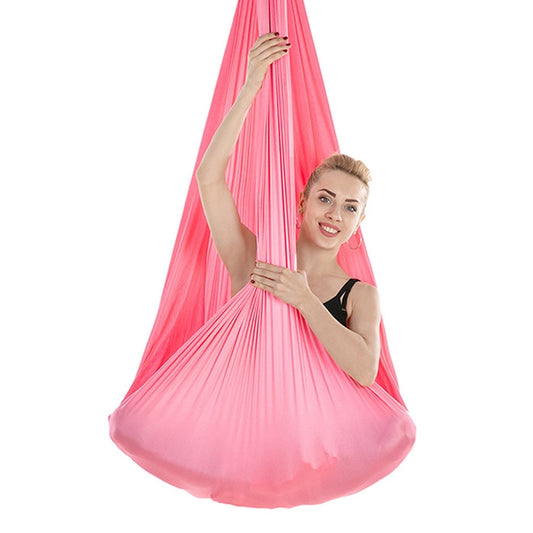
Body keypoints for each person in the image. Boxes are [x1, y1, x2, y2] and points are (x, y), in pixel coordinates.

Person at [196, 33, 380, 387]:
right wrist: (251, 86)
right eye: (325, 199)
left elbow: (365, 372)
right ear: (302, 202)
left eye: (350, 207)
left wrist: (305, 299)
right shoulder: (253, 259)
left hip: (317, 425)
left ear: (358, 223)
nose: (335, 215)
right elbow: (209, 178)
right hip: (245, 414)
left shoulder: (360, 296)